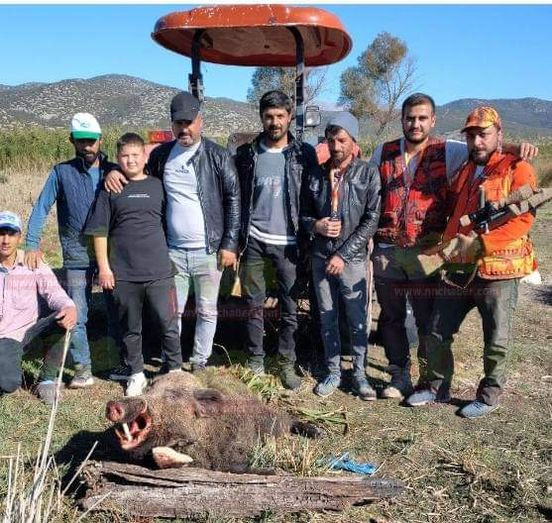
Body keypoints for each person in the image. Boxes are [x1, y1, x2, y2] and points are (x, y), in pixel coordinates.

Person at [369, 93, 539, 399]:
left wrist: (514, 149)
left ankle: (465, 390)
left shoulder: (458, 154)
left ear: (433, 121)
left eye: (422, 118)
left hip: (461, 259)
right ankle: (415, 381)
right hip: (410, 255)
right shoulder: (389, 152)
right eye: (410, 118)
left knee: (452, 326)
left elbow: (521, 214)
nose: (415, 124)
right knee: (409, 322)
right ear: (402, 120)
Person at [104, 92, 240, 373]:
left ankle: (200, 360)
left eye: (189, 122)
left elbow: (233, 199)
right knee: (171, 312)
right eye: (178, 123)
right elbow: (136, 172)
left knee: (207, 309)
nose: (184, 129)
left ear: (200, 121)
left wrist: (229, 243)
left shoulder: (218, 155)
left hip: (209, 250)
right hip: (172, 251)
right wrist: (113, 171)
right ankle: (171, 361)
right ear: (172, 124)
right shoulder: (163, 155)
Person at [24, 113, 119, 388]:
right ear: (72, 141)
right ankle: (83, 368)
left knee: (116, 308)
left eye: (91, 140)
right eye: (81, 141)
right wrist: (32, 243)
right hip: (75, 255)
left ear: (101, 140)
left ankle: (118, 362)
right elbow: (42, 207)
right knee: (77, 312)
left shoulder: (113, 170)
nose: (87, 146)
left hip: (110, 256)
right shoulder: (61, 172)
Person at [85, 133, 183, 396]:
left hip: (160, 271)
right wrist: (104, 268)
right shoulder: (111, 189)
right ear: (118, 159)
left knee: (168, 322)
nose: (130, 160)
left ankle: (174, 371)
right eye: (125, 156)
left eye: (135, 155)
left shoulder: (158, 186)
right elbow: (99, 232)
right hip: (124, 274)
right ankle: (136, 373)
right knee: (130, 328)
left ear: (144, 157)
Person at [234, 90, 318, 389]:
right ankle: (255, 360)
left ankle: (286, 363)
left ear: (289, 117)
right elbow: (236, 199)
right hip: (254, 240)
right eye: (269, 116)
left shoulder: (303, 154)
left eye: (280, 116)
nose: (274, 122)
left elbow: (312, 196)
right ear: (261, 117)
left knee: (290, 307)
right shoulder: (246, 155)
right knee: (253, 305)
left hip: (290, 244)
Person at [300, 112, 381, 399]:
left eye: (342, 140)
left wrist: (344, 254)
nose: (335, 146)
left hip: (353, 260)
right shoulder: (315, 175)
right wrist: (316, 225)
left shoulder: (368, 174)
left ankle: (359, 374)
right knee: (326, 316)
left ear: (354, 142)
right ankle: (333, 371)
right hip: (321, 258)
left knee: (357, 318)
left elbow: (371, 219)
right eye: (331, 140)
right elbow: (302, 215)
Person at [0, 211, 76, 404]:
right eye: (1, 233)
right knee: (9, 383)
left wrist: (68, 306)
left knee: (65, 316)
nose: (5, 240)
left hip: (26, 332)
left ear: (19, 236)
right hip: (3, 339)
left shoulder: (32, 262)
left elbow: (55, 293)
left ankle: (46, 380)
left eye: (11, 233)